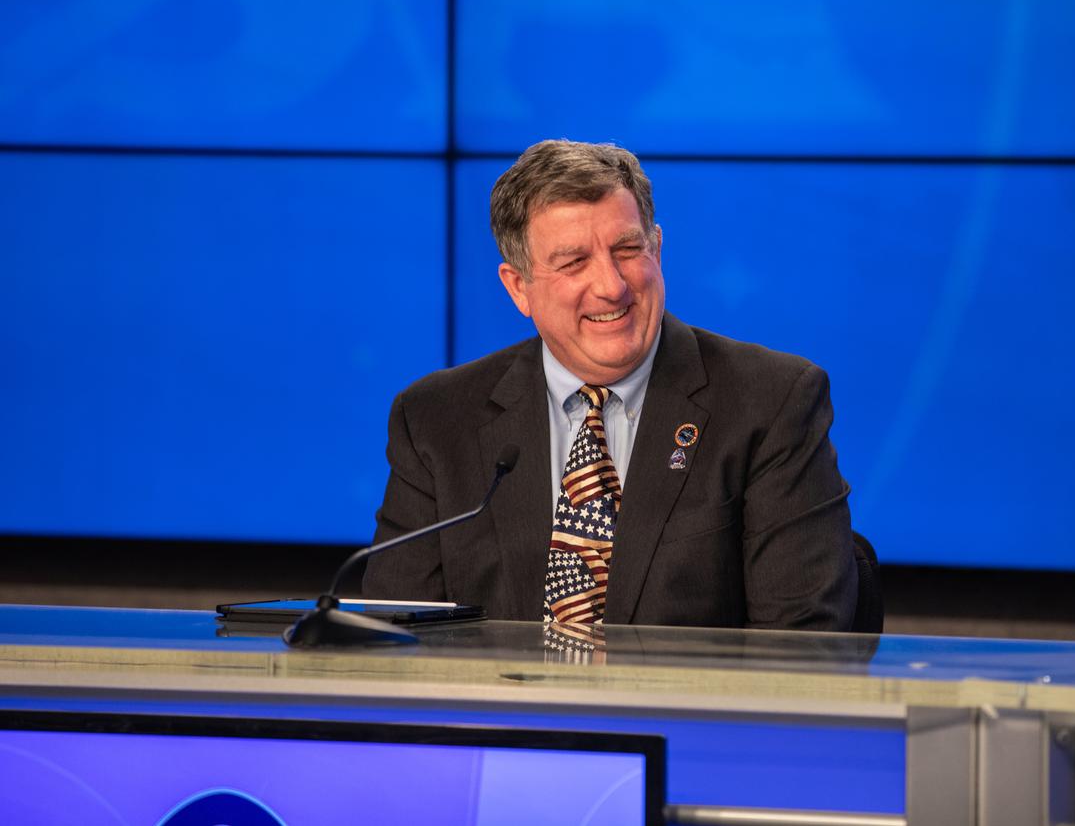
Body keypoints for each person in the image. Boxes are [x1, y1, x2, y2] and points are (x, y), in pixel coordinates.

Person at [363, 139, 857, 630]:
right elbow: (396, 642)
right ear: (519, 287)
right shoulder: (436, 418)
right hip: (497, 711)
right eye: (574, 261)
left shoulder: (771, 403)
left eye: (627, 249)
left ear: (656, 249)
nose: (612, 285)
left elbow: (805, 644)